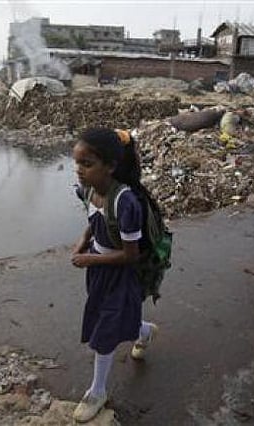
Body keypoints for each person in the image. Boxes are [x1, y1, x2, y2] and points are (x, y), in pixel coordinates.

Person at [70, 127, 158, 423]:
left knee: (104, 332)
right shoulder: (89, 190)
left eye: (87, 164)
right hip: (99, 269)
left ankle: (97, 391)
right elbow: (95, 220)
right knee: (112, 319)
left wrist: (90, 259)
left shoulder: (126, 202)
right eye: (77, 163)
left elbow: (130, 255)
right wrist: (84, 240)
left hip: (120, 273)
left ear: (110, 166)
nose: (79, 171)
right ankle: (144, 331)